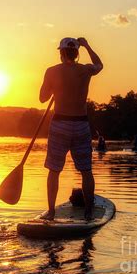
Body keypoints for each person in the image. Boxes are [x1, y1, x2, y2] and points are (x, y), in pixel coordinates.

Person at [39, 37, 103, 221]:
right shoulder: (86, 70)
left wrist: (53, 87)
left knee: (54, 169)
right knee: (86, 170)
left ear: (61, 53)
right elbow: (99, 64)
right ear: (77, 53)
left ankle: (51, 212)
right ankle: (89, 211)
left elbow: (42, 98)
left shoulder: (52, 71)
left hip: (60, 123)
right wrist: (88, 45)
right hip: (81, 124)